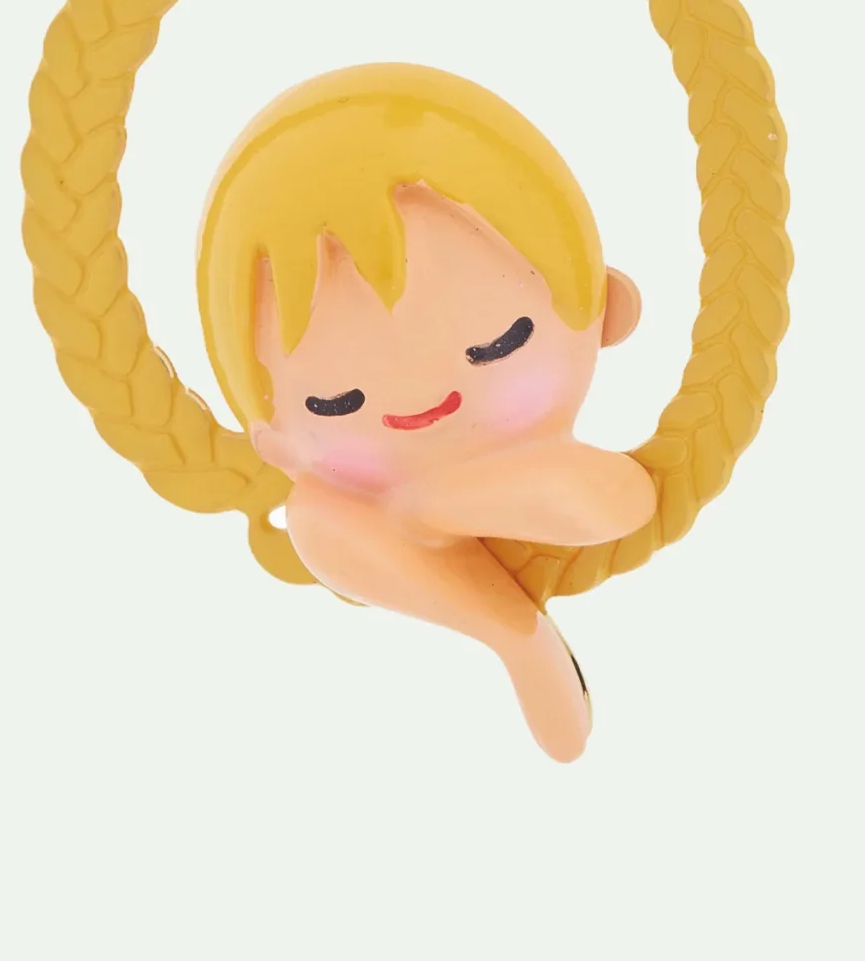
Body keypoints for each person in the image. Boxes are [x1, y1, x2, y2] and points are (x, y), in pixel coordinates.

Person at [198, 64, 652, 760]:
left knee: (583, 490)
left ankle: (500, 614)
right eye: (337, 402)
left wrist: (430, 503)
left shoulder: (563, 470)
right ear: (277, 443)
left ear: (607, 308)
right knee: (319, 518)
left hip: (512, 483)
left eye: (498, 344)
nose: (419, 400)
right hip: (373, 524)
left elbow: (618, 502)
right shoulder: (331, 509)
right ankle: (511, 632)